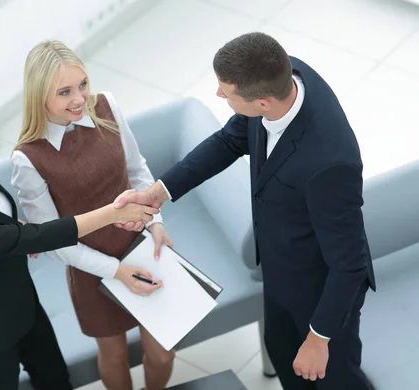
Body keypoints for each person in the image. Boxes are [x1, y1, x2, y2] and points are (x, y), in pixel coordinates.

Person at [115, 32, 376, 390]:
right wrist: (159, 192)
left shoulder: (330, 164)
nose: (219, 96)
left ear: (263, 103)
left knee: (336, 380)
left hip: (322, 286)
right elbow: (229, 140)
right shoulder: (283, 73)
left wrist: (319, 339)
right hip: (279, 264)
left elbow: (349, 265)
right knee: (282, 351)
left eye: (226, 92)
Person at [0, 99, 158, 390]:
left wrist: (12, 228)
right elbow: (32, 238)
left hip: (25, 306)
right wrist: (111, 214)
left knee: (57, 381)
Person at [10, 40, 176, 390]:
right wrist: (115, 272)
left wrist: (157, 223)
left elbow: (137, 168)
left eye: (82, 84)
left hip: (143, 249)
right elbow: (53, 240)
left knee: (163, 352)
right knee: (113, 355)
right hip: (92, 270)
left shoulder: (107, 106)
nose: (79, 99)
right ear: (40, 97)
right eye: (64, 92)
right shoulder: (27, 158)